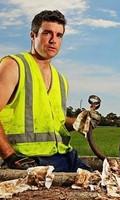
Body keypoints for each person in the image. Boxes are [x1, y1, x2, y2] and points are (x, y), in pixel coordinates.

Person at [0, 10, 92, 172]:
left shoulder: (61, 79)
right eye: (47, 33)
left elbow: (53, 122)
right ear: (33, 35)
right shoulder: (14, 66)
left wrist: (78, 122)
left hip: (65, 156)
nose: (53, 40)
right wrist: (10, 156)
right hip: (28, 159)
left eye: (59, 35)